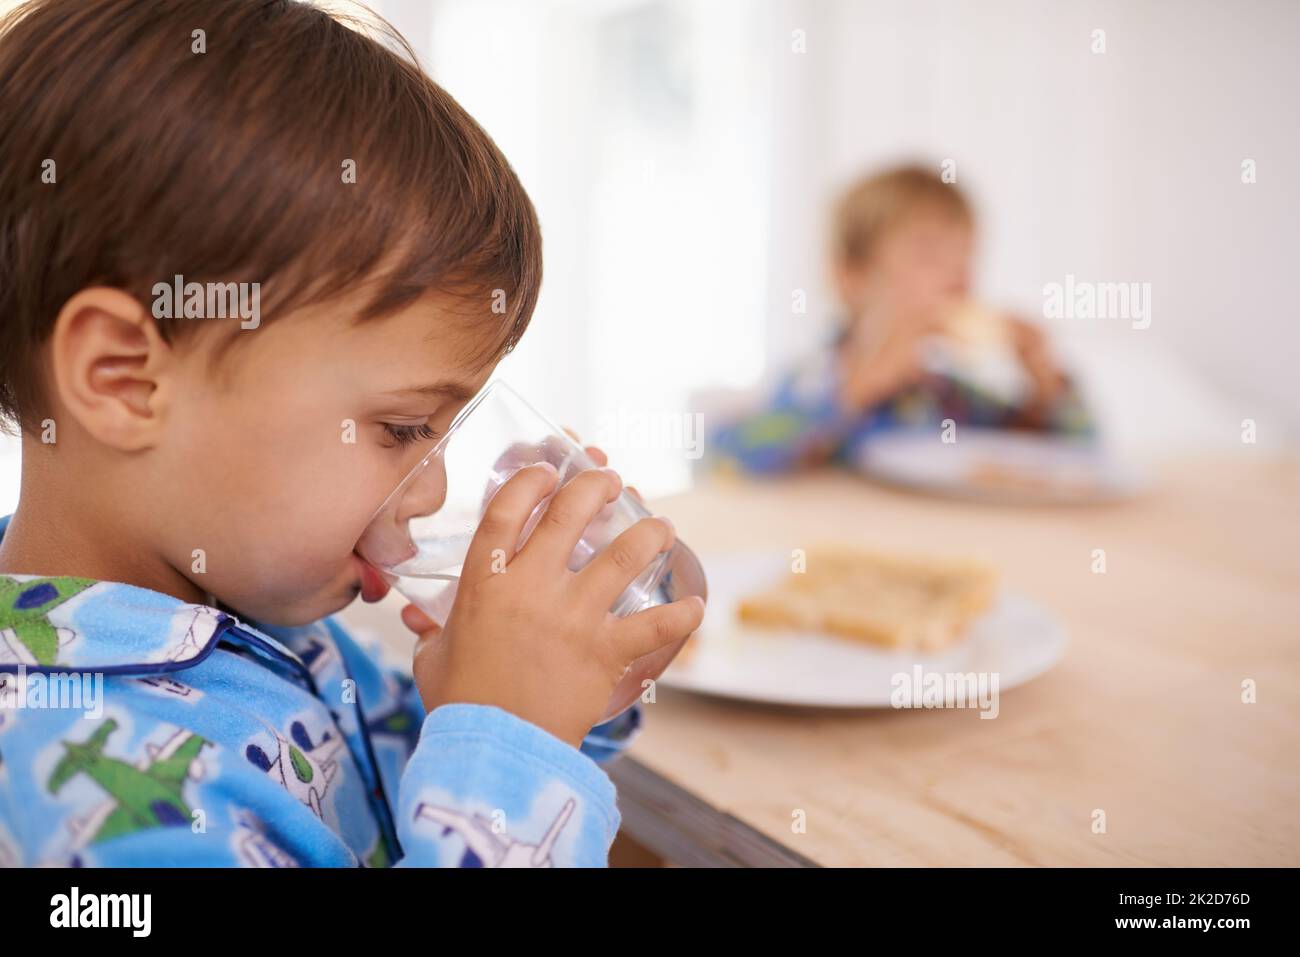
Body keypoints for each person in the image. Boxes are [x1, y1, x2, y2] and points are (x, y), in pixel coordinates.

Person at [0, 0, 702, 867]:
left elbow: (446, 790)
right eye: (403, 426)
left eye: (443, 433)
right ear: (124, 378)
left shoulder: (250, 616)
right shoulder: (92, 803)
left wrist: (556, 682)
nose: (437, 488)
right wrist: (512, 736)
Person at [708, 165, 1092, 475]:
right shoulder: (813, 379)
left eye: (965, 258)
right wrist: (858, 389)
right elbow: (726, 460)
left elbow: (1075, 459)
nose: (959, 277)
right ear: (852, 276)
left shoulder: (946, 395)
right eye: (930, 254)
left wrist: (1046, 388)